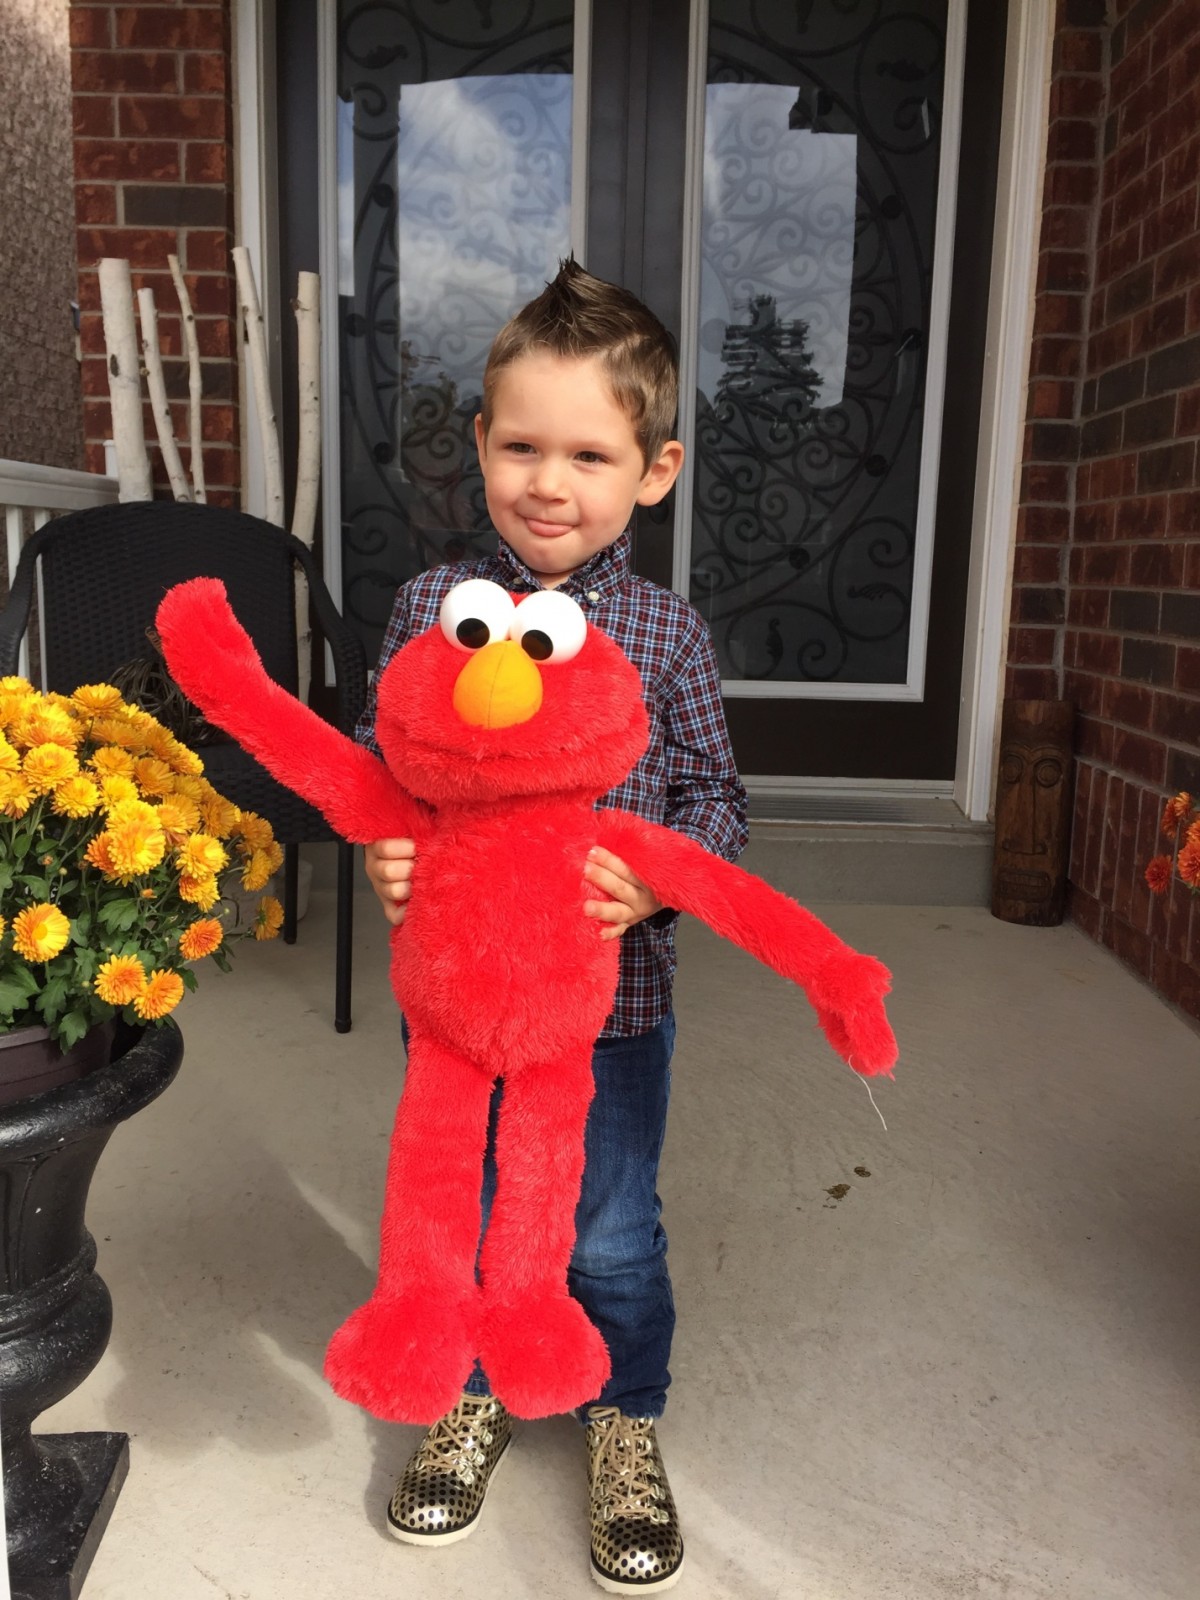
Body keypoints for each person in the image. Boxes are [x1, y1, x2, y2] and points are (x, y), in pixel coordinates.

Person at [355, 258, 747, 1594]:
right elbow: (384, 768)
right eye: (522, 446)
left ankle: (622, 1413)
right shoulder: (430, 612)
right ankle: (471, 1392)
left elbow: (717, 801)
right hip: (461, 1003)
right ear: (480, 445)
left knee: (608, 1228)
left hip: (610, 1009)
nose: (549, 482)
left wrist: (660, 882)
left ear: (655, 470)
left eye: (590, 454)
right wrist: (389, 849)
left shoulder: (666, 634)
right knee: (465, 1208)